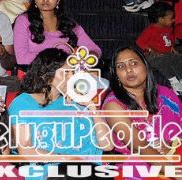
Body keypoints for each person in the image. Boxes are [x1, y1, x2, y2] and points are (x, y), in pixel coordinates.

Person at [8, 48, 112, 179]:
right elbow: (26, 150)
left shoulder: (76, 101)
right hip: (52, 171)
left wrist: (92, 108)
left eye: (73, 72)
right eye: (66, 73)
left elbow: (107, 145)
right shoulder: (23, 103)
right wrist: (68, 159)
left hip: (91, 170)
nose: (71, 77)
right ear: (46, 75)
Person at [103, 45, 182, 173]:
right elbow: (140, 147)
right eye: (121, 66)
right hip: (136, 169)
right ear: (116, 75)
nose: (128, 69)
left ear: (145, 66)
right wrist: (179, 174)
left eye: (134, 63)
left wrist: (171, 145)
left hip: (179, 157)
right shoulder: (112, 105)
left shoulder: (166, 95)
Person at [13, 0, 100, 66]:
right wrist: (64, 59)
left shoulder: (68, 24)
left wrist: (88, 59)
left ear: (58, 0)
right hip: (37, 73)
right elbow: (22, 58)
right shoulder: (24, 20)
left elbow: (94, 49)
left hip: (67, 72)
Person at [137, 2, 182, 92]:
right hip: (153, 56)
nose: (173, 20)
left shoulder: (168, 28)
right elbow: (139, 42)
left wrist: (172, 47)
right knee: (163, 62)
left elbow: (170, 40)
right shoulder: (150, 30)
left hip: (167, 54)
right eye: (171, 18)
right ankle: (173, 81)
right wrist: (151, 49)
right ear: (160, 19)